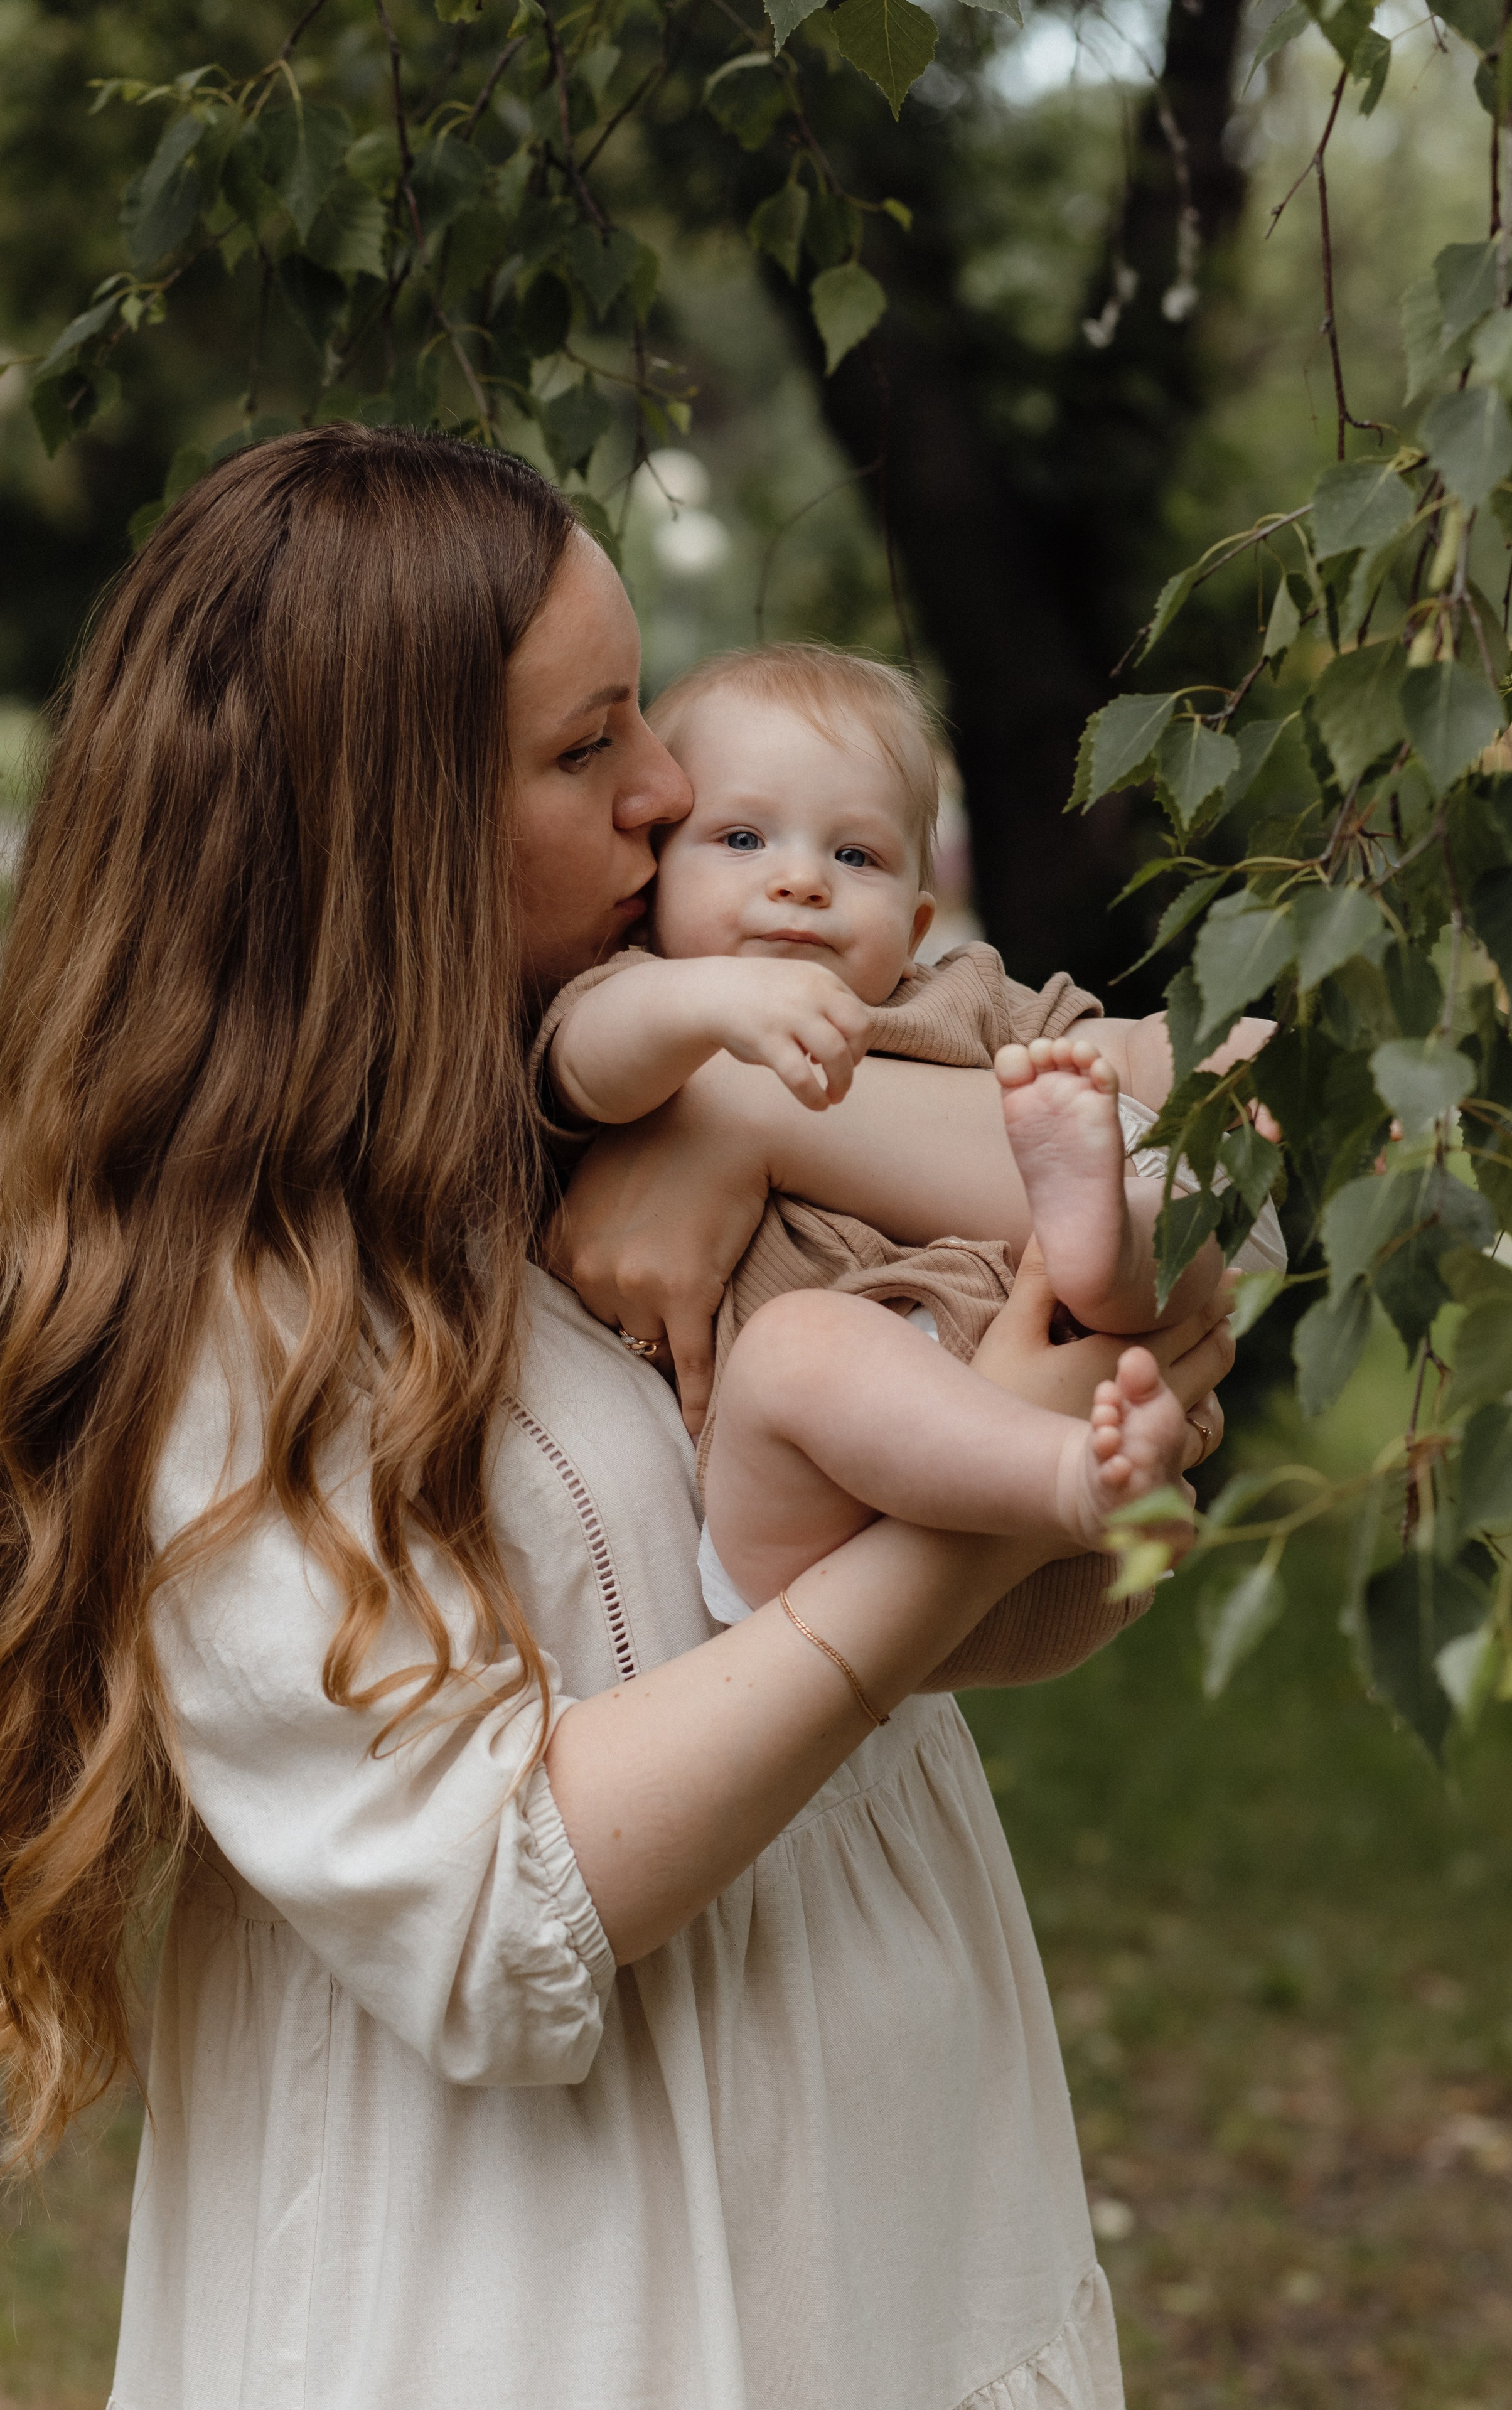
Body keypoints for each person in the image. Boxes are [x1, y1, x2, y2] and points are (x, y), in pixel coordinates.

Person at [0, 426, 1234, 2410]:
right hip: (563, 2295)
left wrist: (749, 1124)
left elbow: (1050, 1587)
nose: (676, 792)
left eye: (639, 716)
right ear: (384, 829)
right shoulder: (236, 1300)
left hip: (898, 2212)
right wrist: (989, 1485)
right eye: (588, 755)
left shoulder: (616, 1108)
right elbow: (498, 1924)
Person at [536, 642, 1279, 1646]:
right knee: (800, 1354)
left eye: (856, 857)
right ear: (656, 878)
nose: (801, 881)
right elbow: (585, 1059)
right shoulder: (642, 1000)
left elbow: (1118, 1053)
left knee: (1158, 1208)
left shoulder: (954, 999)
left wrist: (1218, 1050)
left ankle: (1101, 1249)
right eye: (743, 838)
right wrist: (704, 1003)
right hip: (830, 1542)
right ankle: (1064, 1473)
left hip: (1064, 1521)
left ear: (917, 919)